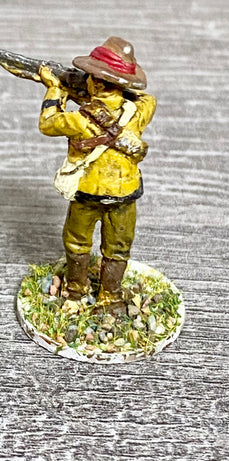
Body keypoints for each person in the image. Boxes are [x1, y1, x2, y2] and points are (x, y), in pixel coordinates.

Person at [38, 37, 156, 310]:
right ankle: (110, 297)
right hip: (125, 194)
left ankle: (75, 292)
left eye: (91, 77)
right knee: (118, 248)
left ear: (98, 83)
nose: (87, 80)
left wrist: (56, 89)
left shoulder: (80, 119)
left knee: (76, 243)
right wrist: (100, 94)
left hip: (88, 193)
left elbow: (47, 122)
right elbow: (147, 98)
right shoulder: (138, 111)